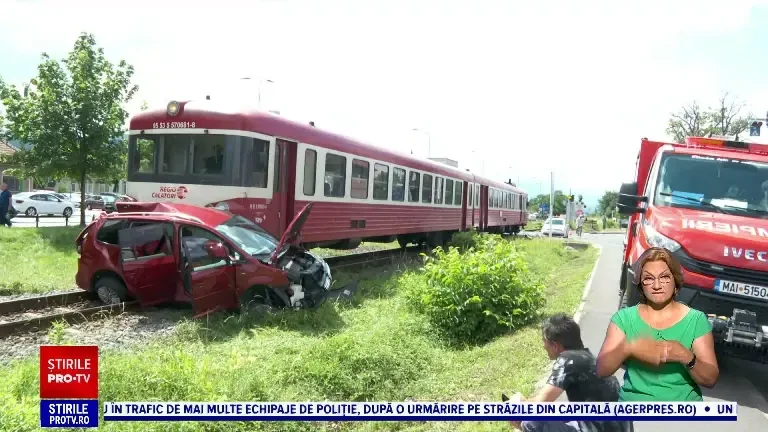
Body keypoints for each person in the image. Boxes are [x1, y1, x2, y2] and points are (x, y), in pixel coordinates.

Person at [596, 247, 719, 401]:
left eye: (664, 277)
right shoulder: (624, 319)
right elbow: (601, 370)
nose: (657, 285)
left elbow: (710, 379)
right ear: (641, 283)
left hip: (683, 415)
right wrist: (629, 347)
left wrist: (686, 356)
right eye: (648, 278)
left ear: (675, 280)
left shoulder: (696, 320)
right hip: (633, 410)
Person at [509, 313, 633, 432]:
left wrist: (518, 406)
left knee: (531, 422)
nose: (543, 346)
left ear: (555, 345)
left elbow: (541, 403)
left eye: (544, 341)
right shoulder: (587, 357)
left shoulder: (568, 359)